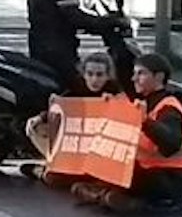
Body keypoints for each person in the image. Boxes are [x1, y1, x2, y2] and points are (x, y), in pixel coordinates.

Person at [73, 53, 182, 215]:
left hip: (171, 180)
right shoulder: (147, 102)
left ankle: (122, 200)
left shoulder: (169, 107)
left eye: (141, 73)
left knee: (126, 174)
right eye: (134, 73)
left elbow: (171, 144)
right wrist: (111, 105)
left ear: (159, 77)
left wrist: (145, 121)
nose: (134, 79)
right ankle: (107, 195)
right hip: (154, 173)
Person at [23, 50, 118, 184]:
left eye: (99, 75)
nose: (94, 80)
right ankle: (55, 163)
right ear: (83, 74)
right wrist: (39, 117)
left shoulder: (115, 91)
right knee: (36, 127)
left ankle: (41, 171)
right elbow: (60, 106)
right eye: (90, 74)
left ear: (108, 76)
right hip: (77, 145)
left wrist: (115, 104)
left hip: (100, 149)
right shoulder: (77, 87)